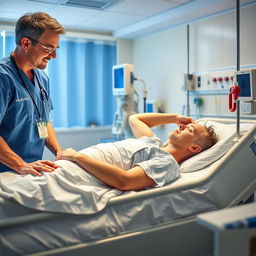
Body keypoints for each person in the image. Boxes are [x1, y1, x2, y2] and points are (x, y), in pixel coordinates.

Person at [56, 113, 218, 191]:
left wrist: (78, 156)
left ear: (194, 148)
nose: (181, 127)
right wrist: (175, 117)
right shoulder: (154, 143)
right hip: (73, 163)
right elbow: (135, 119)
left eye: (188, 130)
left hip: (80, 168)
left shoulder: (167, 163)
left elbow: (125, 181)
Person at [0, 12, 65, 176]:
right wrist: (20, 165)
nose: (54, 55)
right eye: (49, 48)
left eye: (56, 48)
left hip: (31, 170)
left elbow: (43, 120)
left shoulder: (42, 78)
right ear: (27, 44)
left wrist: (59, 152)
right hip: (5, 172)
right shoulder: (3, 78)